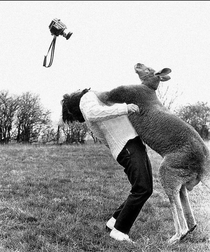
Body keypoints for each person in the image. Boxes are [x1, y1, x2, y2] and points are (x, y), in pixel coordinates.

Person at [62, 88, 153, 243]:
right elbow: (93, 113)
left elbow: (96, 115)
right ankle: (119, 231)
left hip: (130, 145)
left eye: (71, 114)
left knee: (145, 188)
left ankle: (113, 222)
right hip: (127, 145)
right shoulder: (87, 100)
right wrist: (125, 108)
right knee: (142, 188)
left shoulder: (87, 98)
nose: (76, 119)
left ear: (73, 105)